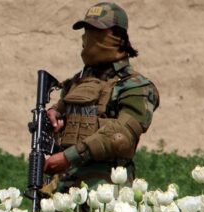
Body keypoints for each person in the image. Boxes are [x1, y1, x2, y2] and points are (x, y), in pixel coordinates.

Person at [42, 2, 159, 193]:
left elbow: (121, 136)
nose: (89, 36)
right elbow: (66, 124)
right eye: (87, 30)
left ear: (117, 36)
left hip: (104, 193)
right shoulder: (75, 84)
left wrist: (68, 157)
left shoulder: (136, 86)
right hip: (62, 189)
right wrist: (54, 115)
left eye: (96, 30)